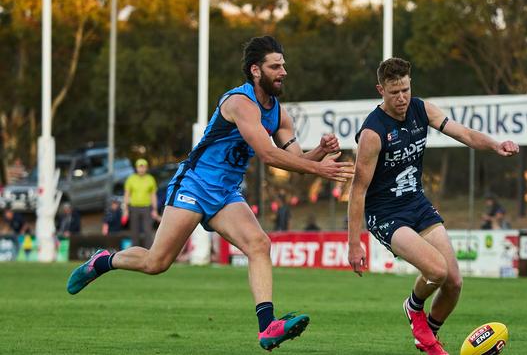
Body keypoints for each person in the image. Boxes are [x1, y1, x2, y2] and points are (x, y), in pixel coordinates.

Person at [66, 36, 354, 351]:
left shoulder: (280, 115)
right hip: (194, 184)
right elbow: (268, 156)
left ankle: (267, 327)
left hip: (226, 193)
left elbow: (296, 161)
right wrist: (321, 169)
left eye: (283, 65)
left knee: (259, 244)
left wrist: (320, 154)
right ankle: (103, 262)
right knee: (157, 262)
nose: (283, 71)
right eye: (276, 66)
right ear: (256, 71)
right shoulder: (239, 103)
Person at [347, 58, 519, 355]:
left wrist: (495, 145)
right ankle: (414, 309)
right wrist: (353, 244)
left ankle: (428, 336)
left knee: (453, 282)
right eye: (394, 92)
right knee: (436, 271)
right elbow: (357, 190)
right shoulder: (372, 133)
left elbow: (463, 133)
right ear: (380, 90)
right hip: (385, 214)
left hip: (418, 204)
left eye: (405, 90)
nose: (401, 98)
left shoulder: (421, 109)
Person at [123, 158, 159, 248]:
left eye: (143, 167)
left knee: (148, 230)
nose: (141, 169)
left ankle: (149, 252)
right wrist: (126, 209)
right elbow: (127, 194)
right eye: (140, 167)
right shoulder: (131, 179)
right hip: (134, 207)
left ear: (146, 168)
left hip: (146, 208)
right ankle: (135, 251)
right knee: (134, 231)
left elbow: (153, 195)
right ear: (136, 168)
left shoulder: (150, 179)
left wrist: (155, 209)